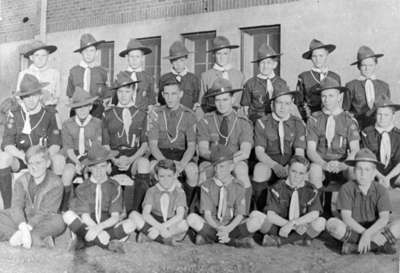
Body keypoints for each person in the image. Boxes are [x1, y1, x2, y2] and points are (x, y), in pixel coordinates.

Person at [0, 74, 63, 209]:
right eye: (26, 97)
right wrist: (22, 156)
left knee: (59, 160)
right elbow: (7, 143)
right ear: (22, 98)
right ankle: (8, 208)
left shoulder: (49, 114)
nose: (30, 100)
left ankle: (59, 209)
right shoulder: (15, 114)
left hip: (42, 157)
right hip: (22, 158)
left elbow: (56, 143)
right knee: (3, 158)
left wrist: (43, 158)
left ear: (40, 95)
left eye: (33, 95)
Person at [63, 143, 136, 253]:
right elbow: (85, 217)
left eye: (102, 166)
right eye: (95, 167)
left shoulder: (115, 186)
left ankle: (86, 241)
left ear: (108, 166)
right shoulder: (82, 187)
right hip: (88, 224)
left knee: (132, 223)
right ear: (90, 168)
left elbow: (115, 217)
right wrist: (98, 231)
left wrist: (99, 229)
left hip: (107, 225)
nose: (99, 171)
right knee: (67, 215)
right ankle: (107, 244)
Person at [326, 148, 400, 255]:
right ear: (354, 170)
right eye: (359, 169)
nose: (363, 174)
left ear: (374, 172)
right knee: (332, 224)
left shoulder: (381, 189)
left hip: (375, 228)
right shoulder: (346, 188)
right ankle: (378, 245)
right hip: (354, 229)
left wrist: (369, 233)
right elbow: (346, 218)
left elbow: (384, 218)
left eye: (367, 170)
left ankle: (354, 247)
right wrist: (365, 233)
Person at [197, 78, 253, 213]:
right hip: (211, 160)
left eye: (225, 99)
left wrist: (227, 163)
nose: (221, 104)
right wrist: (218, 162)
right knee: (204, 172)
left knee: (241, 171)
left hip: (236, 160)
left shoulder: (243, 122)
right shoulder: (206, 120)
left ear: (233, 99)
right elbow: (203, 149)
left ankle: (243, 214)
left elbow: (245, 152)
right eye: (218, 100)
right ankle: (203, 213)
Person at [246, 156, 325, 247]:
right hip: (280, 226)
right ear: (288, 169)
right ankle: (299, 239)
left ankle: (280, 241)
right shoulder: (277, 187)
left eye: (301, 173)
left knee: (321, 222)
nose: (296, 176)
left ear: (306, 174)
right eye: (293, 171)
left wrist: (294, 223)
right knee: (255, 214)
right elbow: (271, 215)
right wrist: (292, 226)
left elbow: (314, 213)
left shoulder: (311, 190)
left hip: (301, 226)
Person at [186, 145, 256, 247]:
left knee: (257, 218)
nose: (218, 170)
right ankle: (232, 240)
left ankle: (209, 237)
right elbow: (207, 215)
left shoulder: (239, 185)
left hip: (232, 225)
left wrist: (228, 228)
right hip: (213, 225)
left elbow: (240, 215)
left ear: (231, 167)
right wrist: (219, 228)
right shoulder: (206, 185)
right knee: (191, 218)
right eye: (215, 167)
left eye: (222, 166)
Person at [103, 71, 151, 214]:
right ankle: (109, 212)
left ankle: (135, 212)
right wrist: (114, 160)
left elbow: (144, 144)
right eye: (120, 91)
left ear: (133, 92)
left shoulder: (141, 113)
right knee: (101, 168)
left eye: (127, 91)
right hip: (113, 155)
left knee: (144, 164)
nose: (123, 95)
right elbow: (105, 144)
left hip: (133, 154)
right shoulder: (108, 114)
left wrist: (131, 159)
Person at [252, 82, 306, 210]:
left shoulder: (298, 123)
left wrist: (290, 166)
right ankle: (261, 210)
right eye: (279, 103)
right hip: (269, 162)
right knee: (259, 170)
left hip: (290, 162)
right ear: (272, 104)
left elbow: (299, 152)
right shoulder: (262, 122)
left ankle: (296, 211)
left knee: (301, 171)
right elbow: (259, 152)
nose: (283, 107)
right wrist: (275, 166)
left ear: (291, 104)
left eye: (287, 103)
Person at [0, 145, 65, 249]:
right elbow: (16, 206)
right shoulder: (21, 181)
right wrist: (23, 227)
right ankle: (30, 238)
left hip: (44, 219)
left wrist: (29, 226)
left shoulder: (56, 183)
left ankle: (21, 236)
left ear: (48, 163)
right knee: (3, 215)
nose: (33, 167)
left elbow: (45, 212)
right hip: (24, 217)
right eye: (30, 163)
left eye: (38, 163)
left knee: (59, 221)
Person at [306, 77, 360, 190]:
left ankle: (348, 206)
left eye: (331, 96)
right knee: (314, 170)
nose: (327, 100)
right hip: (321, 162)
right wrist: (324, 164)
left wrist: (343, 165)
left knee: (354, 172)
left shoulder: (348, 119)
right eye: (323, 96)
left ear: (339, 97)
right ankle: (317, 205)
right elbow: (310, 150)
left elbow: (355, 150)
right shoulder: (314, 119)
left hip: (342, 162)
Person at [61, 88, 103, 211]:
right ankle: (65, 208)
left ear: (91, 106)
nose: (83, 110)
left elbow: (96, 147)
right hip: (74, 157)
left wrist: (85, 163)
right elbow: (68, 148)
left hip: (91, 157)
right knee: (67, 173)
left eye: (86, 106)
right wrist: (77, 163)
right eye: (79, 107)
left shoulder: (97, 123)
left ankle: (92, 207)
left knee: (90, 173)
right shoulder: (67, 124)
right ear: (74, 108)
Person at [129, 160, 188, 245]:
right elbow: (146, 214)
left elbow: (179, 216)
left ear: (175, 176)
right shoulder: (151, 191)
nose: (166, 180)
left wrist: (162, 227)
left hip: (170, 223)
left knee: (184, 224)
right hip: (154, 221)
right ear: (156, 177)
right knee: (133, 215)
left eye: (169, 176)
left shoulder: (179, 192)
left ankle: (151, 235)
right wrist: (159, 227)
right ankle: (163, 239)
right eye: (162, 176)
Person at [343, 46, 390, 130]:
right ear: (358, 66)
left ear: (375, 65)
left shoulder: (384, 86)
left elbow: (388, 110)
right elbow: (346, 110)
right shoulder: (351, 85)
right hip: (358, 128)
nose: (367, 68)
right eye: (364, 65)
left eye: (370, 65)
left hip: (379, 128)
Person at [240, 43, 286, 123]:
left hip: (276, 120)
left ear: (275, 64)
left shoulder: (281, 83)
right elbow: (245, 107)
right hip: (256, 120)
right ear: (258, 65)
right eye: (262, 63)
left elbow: (285, 104)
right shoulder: (250, 83)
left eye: (268, 63)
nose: (265, 66)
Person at [297, 39, 341, 121]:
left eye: (321, 56)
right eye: (314, 56)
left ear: (327, 55)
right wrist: (308, 118)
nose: (318, 59)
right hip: (312, 119)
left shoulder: (335, 77)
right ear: (311, 58)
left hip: (333, 119)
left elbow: (338, 101)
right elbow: (300, 102)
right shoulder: (304, 77)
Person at [66, 33, 107, 118]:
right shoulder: (74, 71)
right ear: (81, 53)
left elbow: (105, 95)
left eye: (91, 50)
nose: (88, 54)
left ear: (96, 52)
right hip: (78, 109)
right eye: (85, 51)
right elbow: (70, 95)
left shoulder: (102, 72)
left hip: (96, 110)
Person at [360, 99, 400, 188]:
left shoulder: (398, 135)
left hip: (394, 173)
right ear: (375, 116)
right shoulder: (366, 133)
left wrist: (388, 178)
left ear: (393, 117)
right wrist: (380, 177)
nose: (382, 118)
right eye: (379, 114)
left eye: (386, 115)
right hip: (373, 173)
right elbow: (365, 159)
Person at [200, 36, 244, 113]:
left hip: (234, 116)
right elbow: (202, 103)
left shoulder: (239, 75)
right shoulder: (206, 76)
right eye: (218, 53)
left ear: (230, 53)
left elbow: (242, 104)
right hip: (213, 116)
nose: (222, 57)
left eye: (225, 54)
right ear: (213, 55)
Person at [158, 41, 200, 112]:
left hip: (187, 115)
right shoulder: (164, 78)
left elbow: (196, 100)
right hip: (169, 115)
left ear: (186, 60)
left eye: (181, 60)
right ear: (171, 62)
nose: (178, 64)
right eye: (175, 61)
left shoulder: (193, 79)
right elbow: (161, 101)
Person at [16, 40, 60, 108]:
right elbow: (18, 97)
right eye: (37, 55)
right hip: (29, 111)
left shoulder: (54, 73)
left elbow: (57, 96)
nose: (40, 58)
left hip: (48, 111)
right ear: (31, 57)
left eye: (43, 55)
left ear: (48, 56)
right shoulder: (23, 74)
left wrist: (49, 104)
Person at [117, 38, 156, 110]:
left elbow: (151, 103)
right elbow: (115, 102)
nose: (134, 60)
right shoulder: (120, 77)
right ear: (127, 58)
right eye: (132, 56)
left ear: (142, 58)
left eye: (137, 56)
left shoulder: (148, 78)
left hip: (142, 116)